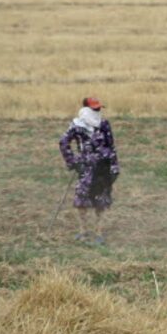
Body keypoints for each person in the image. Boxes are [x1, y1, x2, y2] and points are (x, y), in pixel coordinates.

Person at [59, 96, 119, 245]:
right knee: (82, 199)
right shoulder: (76, 126)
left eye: (99, 108)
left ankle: (99, 233)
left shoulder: (104, 124)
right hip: (86, 168)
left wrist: (114, 167)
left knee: (101, 199)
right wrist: (73, 162)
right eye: (94, 108)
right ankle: (83, 231)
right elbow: (63, 142)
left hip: (103, 168)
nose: (98, 110)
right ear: (86, 109)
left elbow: (111, 146)